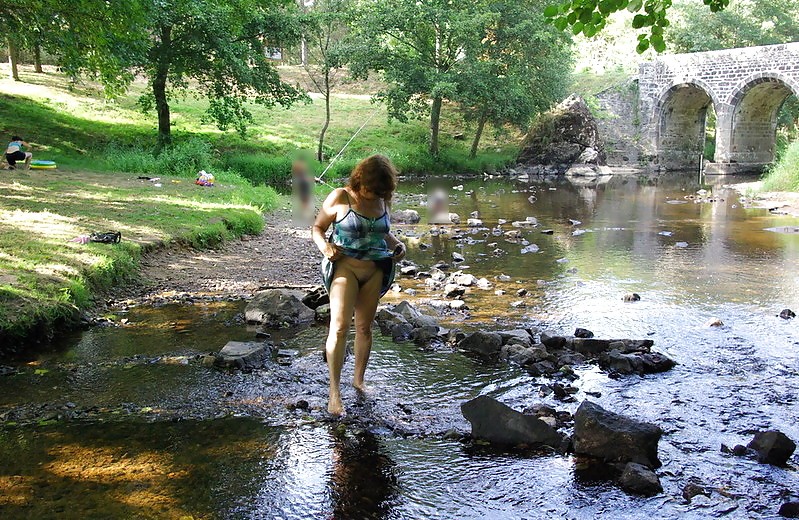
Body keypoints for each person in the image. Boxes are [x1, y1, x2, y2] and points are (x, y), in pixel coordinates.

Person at [312, 154, 406, 415]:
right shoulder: (340, 197)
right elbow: (318, 228)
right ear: (359, 180)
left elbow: (381, 232)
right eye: (371, 190)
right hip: (345, 268)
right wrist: (325, 247)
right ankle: (334, 392)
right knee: (340, 327)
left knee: (365, 328)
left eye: (380, 192)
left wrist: (398, 245)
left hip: (375, 269)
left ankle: (359, 381)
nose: (373, 196)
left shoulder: (381, 199)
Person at [291, 159, 315, 223]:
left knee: (304, 199)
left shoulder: (298, 171)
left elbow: (305, 178)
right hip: (304, 186)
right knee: (305, 199)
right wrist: (313, 179)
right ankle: (306, 214)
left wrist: (312, 178)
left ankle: (306, 213)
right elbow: (305, 179)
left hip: (303, 186)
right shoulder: (300, 171)